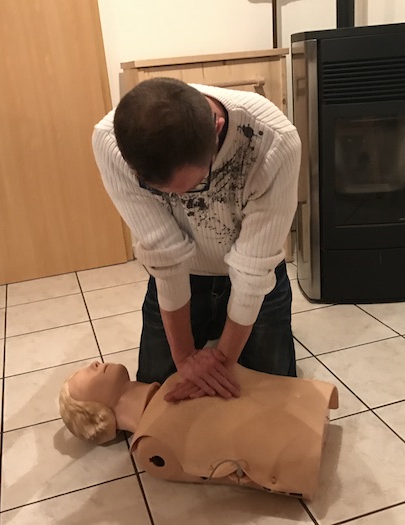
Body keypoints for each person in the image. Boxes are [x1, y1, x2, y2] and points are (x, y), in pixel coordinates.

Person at [92, 78, 301, 402]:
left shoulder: (273, 140)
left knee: (270, 395)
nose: (181, 199)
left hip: (257, 273)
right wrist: (185, 358)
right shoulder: (110, 142)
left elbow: (252, 272)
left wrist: (220, 364)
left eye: (195, 184)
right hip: (182, 271)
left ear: (217, 129)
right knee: (156, 394)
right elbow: (165, 252)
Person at [59, 360, 338, 500]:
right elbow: (222, 472)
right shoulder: (150, 446)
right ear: (94, 412)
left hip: (297, 408)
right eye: (84, 375)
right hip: (296, 445)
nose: (94, 364)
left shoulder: (168, 383)